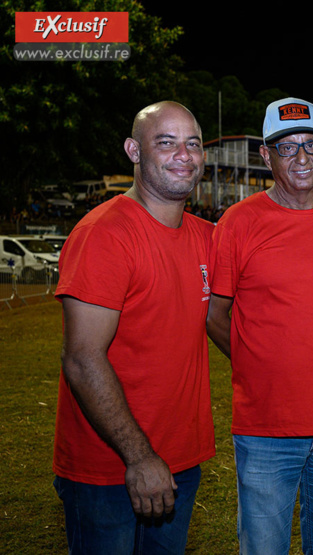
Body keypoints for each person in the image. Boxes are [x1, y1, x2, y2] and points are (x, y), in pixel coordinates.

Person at [206, 97, 313, 555]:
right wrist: (258, 362)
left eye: (312, 144)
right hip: (265, 431)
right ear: (266, 155)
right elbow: (215, 315)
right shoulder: (238, 224)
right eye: (287, 148)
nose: (302, 158)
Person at [53, 101, 215, 553]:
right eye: (166, 142)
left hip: (180, 461)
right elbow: (82, 359)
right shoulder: (105, 235)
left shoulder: (207, 238)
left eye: (193, 143)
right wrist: (139, 457)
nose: (183, 154)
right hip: (109, 469)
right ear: (134, 150)